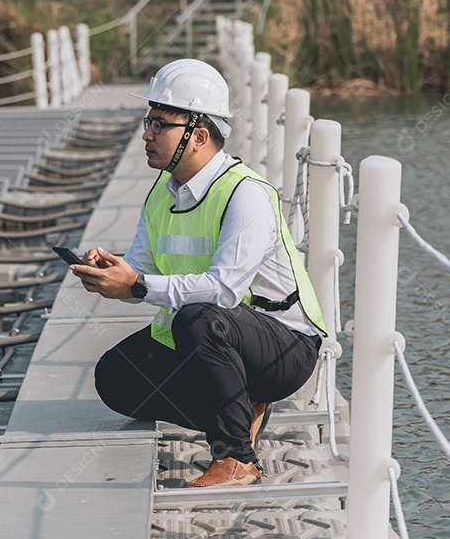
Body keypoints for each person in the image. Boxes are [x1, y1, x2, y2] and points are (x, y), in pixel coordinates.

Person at [68, 58, 327, 488]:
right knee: (114, 378)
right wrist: (115, 274)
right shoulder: (161, 193)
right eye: (147, 121)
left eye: (158, 123)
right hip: (215, 335)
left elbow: (224, 291)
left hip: (285, 347)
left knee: (200, 314)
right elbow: (143, 274)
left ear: (199, 135)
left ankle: (237, 459)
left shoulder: (246, 195)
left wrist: (137, 284)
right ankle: (242, 407)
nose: (146, 134)